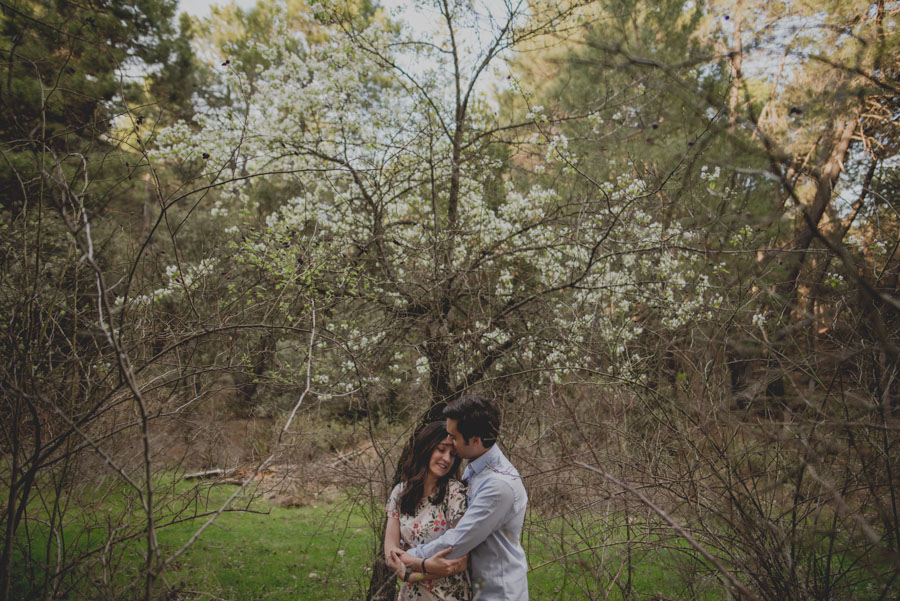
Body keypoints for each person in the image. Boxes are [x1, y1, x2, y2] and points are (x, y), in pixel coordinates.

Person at [391, 395, 529, 601]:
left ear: (475, 440)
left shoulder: (498, 485)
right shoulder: (476, 469)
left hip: (497, 592)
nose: (452, 445)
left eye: (454, 438)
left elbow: (457, 541)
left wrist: (413, 558)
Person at [384, 421, 471, 601]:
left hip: (447, 596)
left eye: (453, 454)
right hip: (409, 595)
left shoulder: (455, 493)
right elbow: (390, 554)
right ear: (426, 448)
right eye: (441, 449)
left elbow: (459, 561)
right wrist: (415, 573)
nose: (447, 459)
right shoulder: (400, 492)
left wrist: (414, 570)